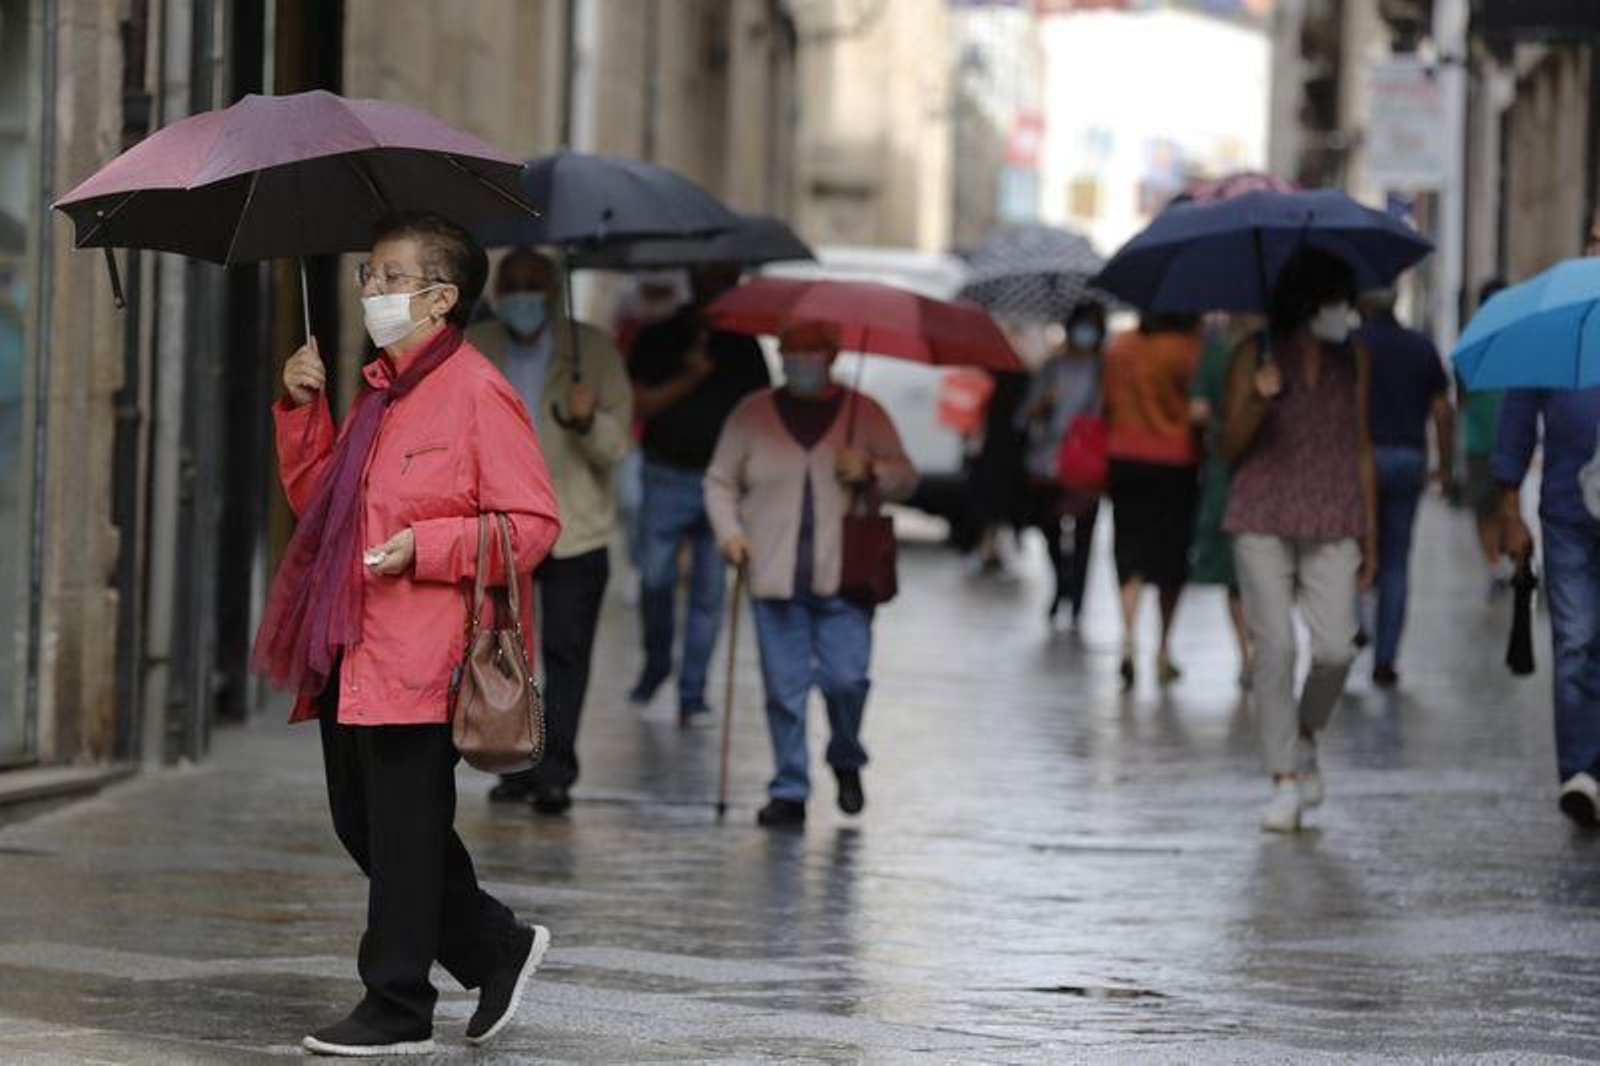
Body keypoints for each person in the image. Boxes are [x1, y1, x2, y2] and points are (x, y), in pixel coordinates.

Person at [257, 213, 562, 1054]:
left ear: (441, 298)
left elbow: (533, 524)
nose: (371, 292)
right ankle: (494, 945)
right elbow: (326, 511)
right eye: (367, 275)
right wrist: (302, 408)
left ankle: (396, 1005)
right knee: (366, 823)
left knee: (401, 831)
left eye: (390, 279)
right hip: (353, 646)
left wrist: (427, 548)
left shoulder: (475, 391)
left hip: (425, 655)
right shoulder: (385, 390)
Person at [704, 321, 916, 828]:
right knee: (784, 689)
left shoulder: (864, 413)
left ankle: (845, 755)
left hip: (846, 578)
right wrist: (729, 533)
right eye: (791, 350)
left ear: (833, 355)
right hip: (773, 575)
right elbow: (719, 481)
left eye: (810, 351)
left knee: (847, 680)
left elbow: (908, 476)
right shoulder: (752, 413)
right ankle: (790, 787)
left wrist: (871, 469)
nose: (799, 360)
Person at [469, 248, 633, 815]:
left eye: (532, 285)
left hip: (574, 530)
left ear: (552, 288)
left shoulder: (593, 353)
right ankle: (513, 763)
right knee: (506, 653)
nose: (521, 295)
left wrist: (589, 418)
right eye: (510, 284)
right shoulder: (478, 349)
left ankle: (556, 770)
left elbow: (616, 450)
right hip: (499, 529)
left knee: (566, 653)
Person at [1219, 248, 1377, 833]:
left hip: (1333, 514)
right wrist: (1258, 398)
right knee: (1277, 649)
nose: (1348, 312)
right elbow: (1226, 447)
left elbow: (1361, 446)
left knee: (1337, 647)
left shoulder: (1355, 361)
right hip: (1262, 511)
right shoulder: (1253, 355)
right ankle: (1283, 777)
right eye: (1338, 300)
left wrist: (1372, 532)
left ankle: (1307, 733)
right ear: (1311, 302)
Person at [627, 264, 771, 724]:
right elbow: (638, 404)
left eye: (725, 281)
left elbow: (758, 416)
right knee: (654, 578)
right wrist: (689, 377)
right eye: (710, 281)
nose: (717, 290)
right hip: (664, 473)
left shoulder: (745, 346)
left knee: (709, 592)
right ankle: (656, 662)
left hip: (722, 485)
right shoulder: (660, 335)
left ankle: (694, 692)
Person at [1496, 384, 1600, 827]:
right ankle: (1582, 771)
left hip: (1565, 508)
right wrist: (1508, 509)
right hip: (1568, 512)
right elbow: (1518, 416)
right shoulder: (1557, 337)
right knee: (1576, 639)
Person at [1356, 288, 1454, 688]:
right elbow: (1442, 411)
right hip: (1408, 457)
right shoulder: (1420, 347)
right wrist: (1444, 466)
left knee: (1352, 547)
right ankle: (1385, 658)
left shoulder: (1352, 346)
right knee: (1396, 560)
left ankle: (1352, 623)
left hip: (1360, 459)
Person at [1101, 312, 1202, 687]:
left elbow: (1106, 400)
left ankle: (1128, 638)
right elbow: (1197, 404)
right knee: (1170, 556)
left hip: (1124, 456)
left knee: (1127, 548)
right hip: (1176, 460)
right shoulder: (1187, 349)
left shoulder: (1122, 345)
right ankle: (1162, 647)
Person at [1015, 301, 1105, 626]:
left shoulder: (1105, 371)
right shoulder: (1051, 368)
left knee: (1083, 536)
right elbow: (1023, 417)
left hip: (1088, 466)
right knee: (1050, 529)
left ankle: (1076, 599)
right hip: (1047, 462)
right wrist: (1042, 406)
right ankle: (1062, 584)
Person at [1188, 314, 1255, 685]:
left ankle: (1246, 654)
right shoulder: (1271, 351)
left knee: (1234, 573)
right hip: (1266, 471)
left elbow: (1197, 410)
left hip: (1225, 471)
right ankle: (1259, 648)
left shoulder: (1213, 354)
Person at [1460, 279, 1510, 596]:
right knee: (1485, 506)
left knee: (1502, 505)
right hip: (1481, 439)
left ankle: (1502, 562)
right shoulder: (1471, 344)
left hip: (1504, 439)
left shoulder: (1515, 343)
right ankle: (1496, 564)